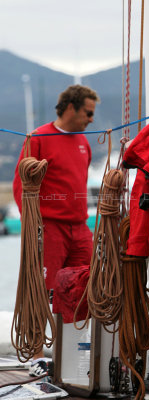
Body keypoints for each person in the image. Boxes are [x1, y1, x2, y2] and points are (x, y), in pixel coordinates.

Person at [13, 84, 100, 376]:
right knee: (41, 290)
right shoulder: (38, 138)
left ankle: (75, 353)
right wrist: (32, 226)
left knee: (84, 288)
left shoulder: (83, 143)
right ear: (71, 108)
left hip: (79, 227)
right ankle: (38, 355)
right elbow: (21, 185)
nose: (91, 119)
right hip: (48, 227)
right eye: (88, 112)